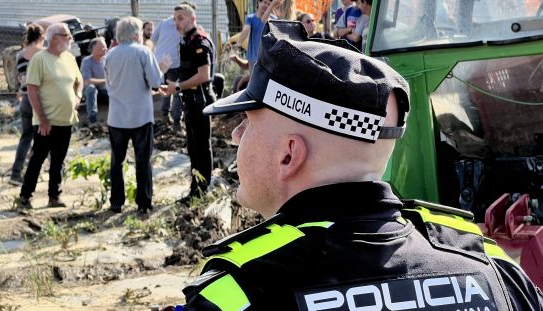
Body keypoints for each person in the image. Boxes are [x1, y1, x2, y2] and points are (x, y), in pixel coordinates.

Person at [179, 20, 543, 310]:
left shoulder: (237, 293)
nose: (235, 136)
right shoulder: (491, 267)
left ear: (289, 155)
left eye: (247, 121)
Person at [15, 23, 83, 210]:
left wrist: (77, 96)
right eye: (67, 35)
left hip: (66, 119)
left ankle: (54, 196)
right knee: (38, 158)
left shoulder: (69, 58)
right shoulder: (40, 59)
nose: (71, 39)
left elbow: (79, 81)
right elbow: (31, 89)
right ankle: (25, 196)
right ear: (54, 38)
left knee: (58, 160)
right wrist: (42, 119)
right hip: (46, 121)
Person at [104, 16, 163, 214]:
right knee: (143, 160)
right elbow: (155, 81)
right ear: (137, 33)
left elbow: (108, 83)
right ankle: (144, 203)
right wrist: (162, 68)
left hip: (117, 116)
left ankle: (116, 202)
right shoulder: (143, 52)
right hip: (140, 115)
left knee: (117, 161)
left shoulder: (110, 55)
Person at [164, 3, 216, 204]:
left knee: (202, 147)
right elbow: (187, 71)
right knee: (193, 148)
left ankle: (202, 191)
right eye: (175, 19)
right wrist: (170, 83)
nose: (177, 22)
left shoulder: (199, 41)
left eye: (181, 18)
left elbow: (204, 75)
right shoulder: (185, 41)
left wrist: (177, 87)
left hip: (200, 101)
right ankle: (195, 190)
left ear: (192, 19)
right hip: (190, 101)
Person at [9, 23, 45, 186]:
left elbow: (19, 77)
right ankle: (57, 169)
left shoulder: (20, 55)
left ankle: (16, 173)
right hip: (39, 99)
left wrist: (19, 92)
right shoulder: (43, 54)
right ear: (40, 37)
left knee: (26, 137)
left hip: (25, 99)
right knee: (46, 136)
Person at [152, 9, 183, 132]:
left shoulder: (164, 22)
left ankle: (165, 115)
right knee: (176, 91)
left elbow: (153, 39)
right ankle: (176, 122)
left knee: (165, 88)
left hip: (161, 61)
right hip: (175, 62)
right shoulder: (183, 24)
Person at [80, 37, 108, 127]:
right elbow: (87, 81)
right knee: (91, 88)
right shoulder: (87, 61)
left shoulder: (107, 59)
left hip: (105, 91)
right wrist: (106, 80)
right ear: (93, 49)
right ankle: (92, 120)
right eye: (101, 47)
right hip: (91, 92)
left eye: (105, 46)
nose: (104, 49)